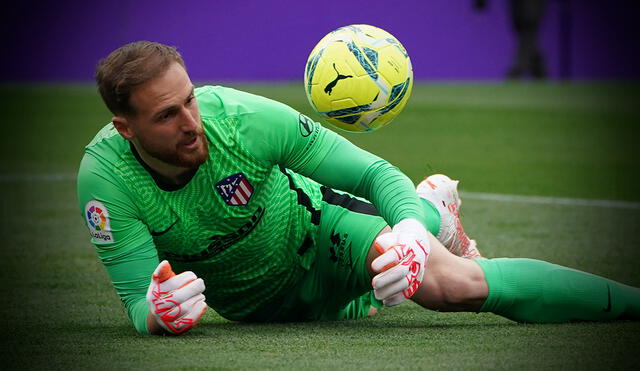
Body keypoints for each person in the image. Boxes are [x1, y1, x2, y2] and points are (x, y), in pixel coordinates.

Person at [77, 41, 639, 335]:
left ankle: (427, 217)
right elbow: (137, 304)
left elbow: (373, 174)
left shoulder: (241, 119)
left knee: (451, 287)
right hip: (269, 312)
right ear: (126, 128)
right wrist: (159, 315)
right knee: (373, 305)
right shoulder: (106, 181)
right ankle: (431, 210)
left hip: (319, 232)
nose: (191, 122)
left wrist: (412, 235)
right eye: (167, 115)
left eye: (191, 99)